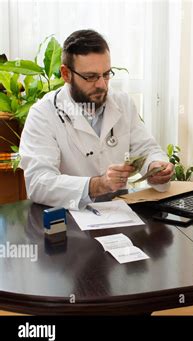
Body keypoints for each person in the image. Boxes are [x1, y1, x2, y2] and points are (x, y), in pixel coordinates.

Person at [20, 30, 173, 210]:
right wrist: (98, 185)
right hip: (69, 220)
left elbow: (147, 149)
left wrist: (154, 167)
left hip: (120, 213)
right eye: (91, 77)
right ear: (66, 74)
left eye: (106, 74)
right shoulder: (43, 114)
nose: (101, 84)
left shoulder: (122, 103)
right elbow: (39, 183)